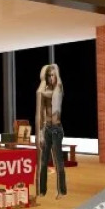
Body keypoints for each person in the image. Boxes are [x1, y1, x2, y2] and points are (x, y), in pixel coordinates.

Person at [35, 64, 66, 198]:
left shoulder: (58, 88)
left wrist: (54, 69)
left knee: (59, 162)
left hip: (57, 129)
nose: (51, 78)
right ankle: (42, 190)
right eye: (49, 75)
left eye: (53, 75)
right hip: (47, 128)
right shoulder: (44, 90)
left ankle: (62, 191)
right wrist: (41, 132)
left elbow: (52, 93)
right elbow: (41, 112)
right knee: (43, 162)